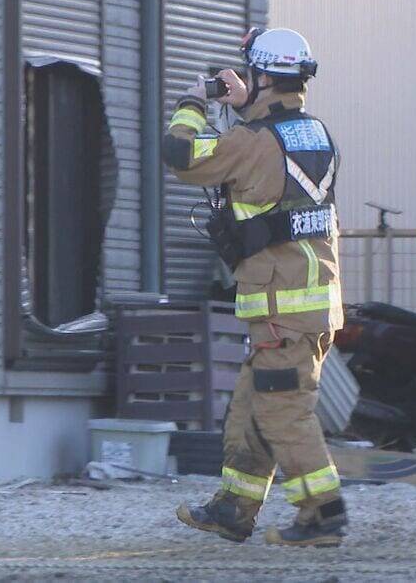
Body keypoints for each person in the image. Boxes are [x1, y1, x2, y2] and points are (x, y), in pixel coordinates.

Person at [162, 27, 346, 546]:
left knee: (283, 410)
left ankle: (323, 514)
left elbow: (181, 155)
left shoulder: (251, 142)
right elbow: (271, 159)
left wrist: (193, 102)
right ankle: (234, 509)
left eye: (251, 73)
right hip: (310, 302)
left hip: (280, 305)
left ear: (264, 75)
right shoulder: (316, 135)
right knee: (250, 407)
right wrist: (246, 105)